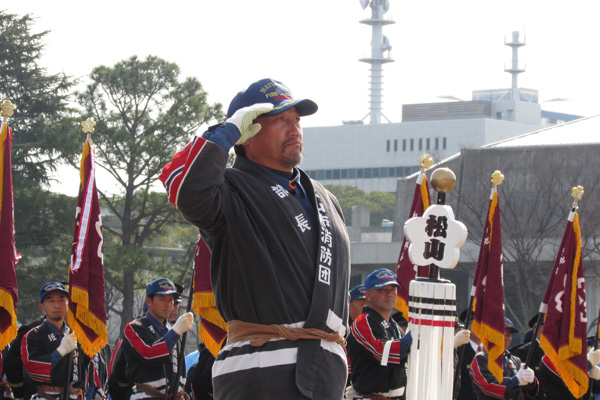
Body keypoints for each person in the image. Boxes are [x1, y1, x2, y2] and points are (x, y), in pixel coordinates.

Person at [160, 78, 351, 400]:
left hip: (325, 370)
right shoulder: (229, 188)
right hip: (259, 365)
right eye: (280, 120)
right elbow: (188, 191)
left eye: (296, 120)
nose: (294, 130)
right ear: (248, 132)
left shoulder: (326, 198)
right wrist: (227, 131)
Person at [122, 278, 193, 400]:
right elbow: (149, 354)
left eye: (171, 299)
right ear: (149, 301)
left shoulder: (173, 330)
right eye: (162, 299)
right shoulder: (134, 327)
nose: (168, 304)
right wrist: (175, 332)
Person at [346, 268, 412, 400]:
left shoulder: (396, 327)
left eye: (393, 290)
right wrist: (415, 334)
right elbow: (383, 353)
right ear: (368, 296)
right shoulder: (362, 322)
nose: (389, 294)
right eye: (382, 290)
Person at [21, 282, 89, 400]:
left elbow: (84, 367)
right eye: (51, 301)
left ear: (67, 305)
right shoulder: (33, 335)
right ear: (42, 307)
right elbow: (32, 368)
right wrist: (59, 352)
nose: (57, 305)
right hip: (47, 396)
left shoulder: (76, 335)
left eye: (61, 300)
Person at [470, 317, 539, 400]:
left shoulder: (515, 360)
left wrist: (532, 381)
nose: (506, 338)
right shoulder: (481, 358)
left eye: (508, 335)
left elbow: (528, 393)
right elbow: (488, 386)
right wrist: (516, 381)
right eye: (502, 333)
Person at [511, 313, 545, 400]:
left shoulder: (558, 353)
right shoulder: (524, 352)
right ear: (535, 329)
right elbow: (521, 388)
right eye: (545, 325)